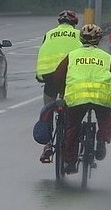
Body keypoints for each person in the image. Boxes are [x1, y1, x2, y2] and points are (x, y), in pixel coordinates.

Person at [53, 24, 111, 174]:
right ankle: (101, 139)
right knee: (106, 117)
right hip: (101, 97)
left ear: (81, 39)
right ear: (99, 40)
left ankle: (71, 162)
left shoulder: (72, 56)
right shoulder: (106, 57)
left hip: (76, 97)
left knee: (72, 127)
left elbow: (58, 77)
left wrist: (62, 92)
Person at [35, 10, 82, 163]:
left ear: (59, 23)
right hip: (70, 76)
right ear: (74, 23)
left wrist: (40, 76)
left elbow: (42, 54)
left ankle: (47, 144)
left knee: (47, 107)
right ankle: (69, 140)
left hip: (49, 76)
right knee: (70, 107)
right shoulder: (79, 35)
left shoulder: (49, 34)